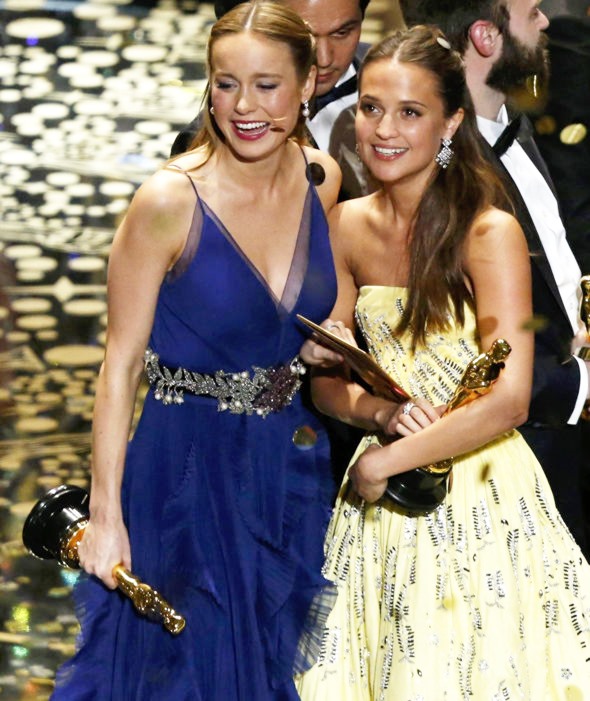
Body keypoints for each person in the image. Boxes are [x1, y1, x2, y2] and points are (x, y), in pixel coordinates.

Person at [50, 3, 342, 699]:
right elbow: (119, 366)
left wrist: (327, 342)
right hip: (185, 472)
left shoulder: (321, 178)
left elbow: (307, 309)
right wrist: (107, 517)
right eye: (225, 83)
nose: (243, 107)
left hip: (288, 464)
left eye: (266, 85)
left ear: (308, 84)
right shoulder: (168, 201)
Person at [294, 25, 590, 699]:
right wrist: (381, 414)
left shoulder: (488, 231)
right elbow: (329, 386)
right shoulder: (345, 225)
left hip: (482, 494)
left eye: (410, 112)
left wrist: (385, 460)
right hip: (381, 513)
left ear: (451, 122)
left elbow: (510, 397)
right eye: (371, 107)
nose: (383, 130)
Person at [401, 0, 590, 558]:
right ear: (485, 37)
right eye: (532, 11)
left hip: (560, 437)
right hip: (500, 469)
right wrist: (580, 384)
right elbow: (445, 355)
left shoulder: (511, 127)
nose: (546, 22)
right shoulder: (438, 177)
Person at [172, 0, 378, 201]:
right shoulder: (196, 149)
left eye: (342, 33)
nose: (324, 59)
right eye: (306, 36)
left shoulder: (389, 73)